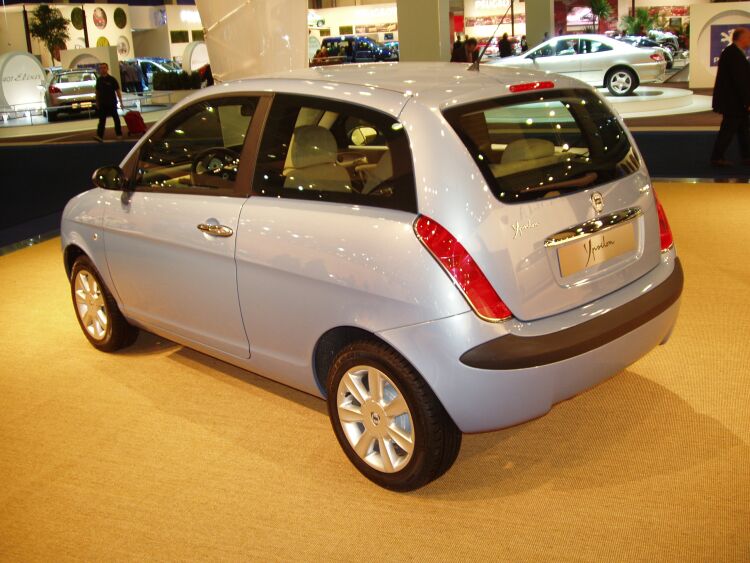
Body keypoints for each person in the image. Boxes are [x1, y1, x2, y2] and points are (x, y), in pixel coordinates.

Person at [710, 27, 750, 167]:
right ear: (741, 38)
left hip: (735, 101)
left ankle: (746, 156)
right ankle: (717, 157)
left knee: (743, 129)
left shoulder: (733, 52)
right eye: (748, 37)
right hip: (733, 102)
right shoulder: (733, 54)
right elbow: (739, 80)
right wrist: (747, 101)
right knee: (728, 130)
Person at [94, 62, 123, 142]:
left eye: (104, 67)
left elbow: (117, 91)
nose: (102, 69)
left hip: (112, 103)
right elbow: (97, 92)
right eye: (101, 68)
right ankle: (100, 136)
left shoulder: (112, 79)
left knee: (116, 119)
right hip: (102, 104)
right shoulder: (99, 80)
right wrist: (97, 102)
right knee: (102, 121)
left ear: (107, 69)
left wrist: (121, 102)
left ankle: (119, 134)